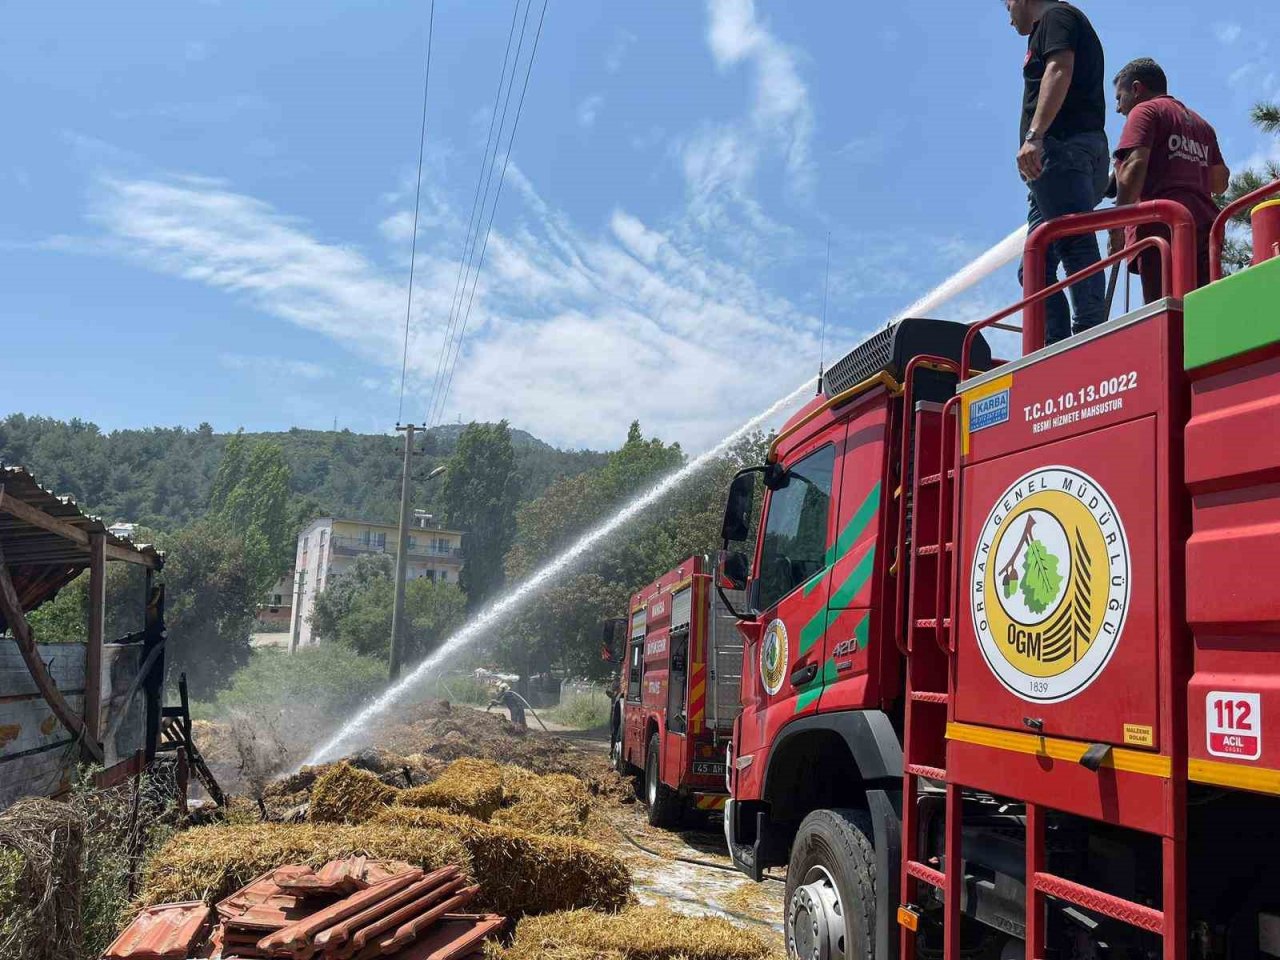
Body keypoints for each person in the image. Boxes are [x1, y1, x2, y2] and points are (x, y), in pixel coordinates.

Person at [1005, 0, 1110, 344]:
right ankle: (1056, 345)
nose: (1008, 14)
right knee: (1033, 268)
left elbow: (1059, 69)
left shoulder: (1055, 17)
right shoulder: (1057, 22)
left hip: (1062, 150)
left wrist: (1035, 136)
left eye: (1006, 4)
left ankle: (1088, 338)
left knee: (1075, 241)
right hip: (1063, 163)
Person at [1108, 58, 1230, 304]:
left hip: (1160, 228)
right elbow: (1220, 181)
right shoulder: (1201, 124)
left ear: (1136, 88)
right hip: (1205, 230)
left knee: (1166, 314)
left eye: (1119, 98)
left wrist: (1116, 227)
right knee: (1201, 310)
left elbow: (1134, 165)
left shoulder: (1144, 111)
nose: (1118, 108)